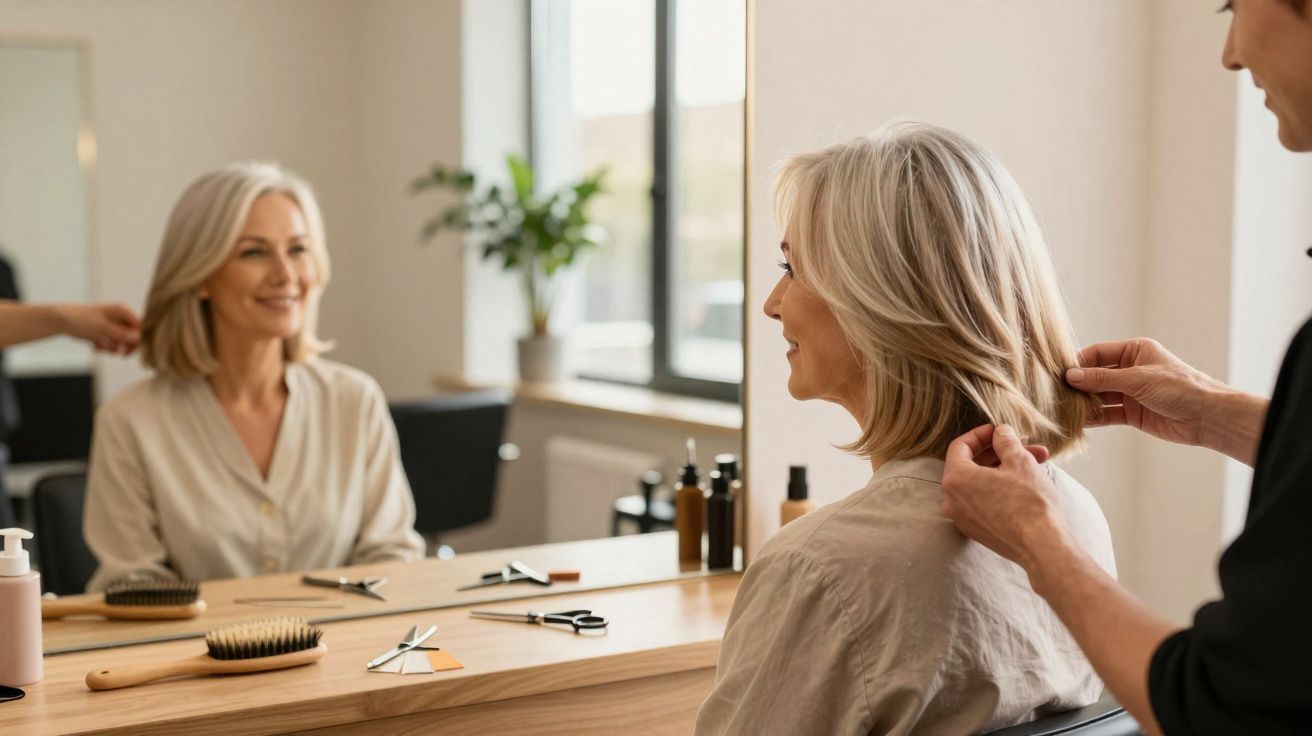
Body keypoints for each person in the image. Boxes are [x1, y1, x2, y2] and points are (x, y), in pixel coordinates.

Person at [939, 2, 1312, 733]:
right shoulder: (1085, 513)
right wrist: (1215, 413)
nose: (1230, 54)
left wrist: (1039, 544)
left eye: (1236, 6)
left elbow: (1223, 706)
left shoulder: (825, 572)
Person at [695, 123, 1116, 735]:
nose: (772, 302)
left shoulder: (820, 570)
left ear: (879, 300)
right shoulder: (1076, 517)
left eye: (792, 268)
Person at [83, 162, 424, 590]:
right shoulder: (129, 422)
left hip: (347, 635)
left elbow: (392, 556)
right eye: (254, 252)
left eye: (298, 249)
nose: (286, 275)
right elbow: (133, 585)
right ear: (200, 276)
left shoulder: (354, 400)